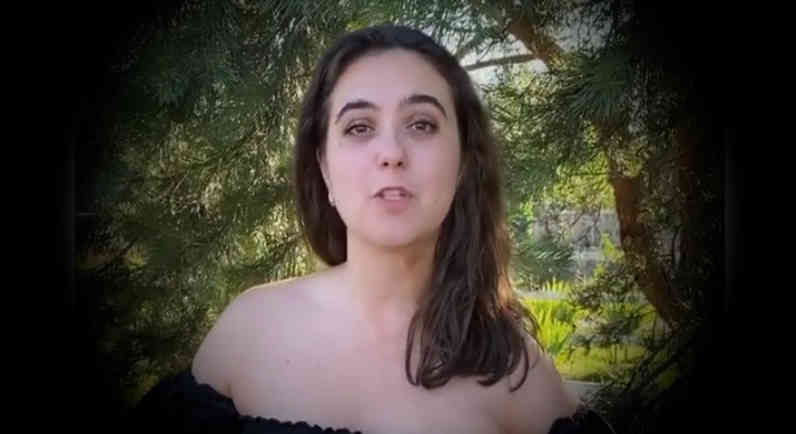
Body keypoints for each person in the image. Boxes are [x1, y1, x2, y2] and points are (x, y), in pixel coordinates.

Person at [130, 24, 616, 434]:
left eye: (421, 124)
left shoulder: (514, 372)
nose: (391, 153)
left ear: (465, 163)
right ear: (323, 166)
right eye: (359, 127)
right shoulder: (249, 329)